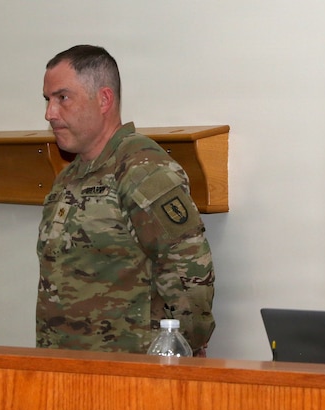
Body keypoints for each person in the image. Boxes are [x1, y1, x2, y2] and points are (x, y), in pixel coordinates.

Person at [37, 45, 215, 355]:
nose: (50, 113)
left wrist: (173, 361)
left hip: (132, 380)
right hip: (67, 374)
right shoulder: (68, 178)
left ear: (103, 99)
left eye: (62, 98)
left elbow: (190, 278)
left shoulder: (141, 169)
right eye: (48, 100)